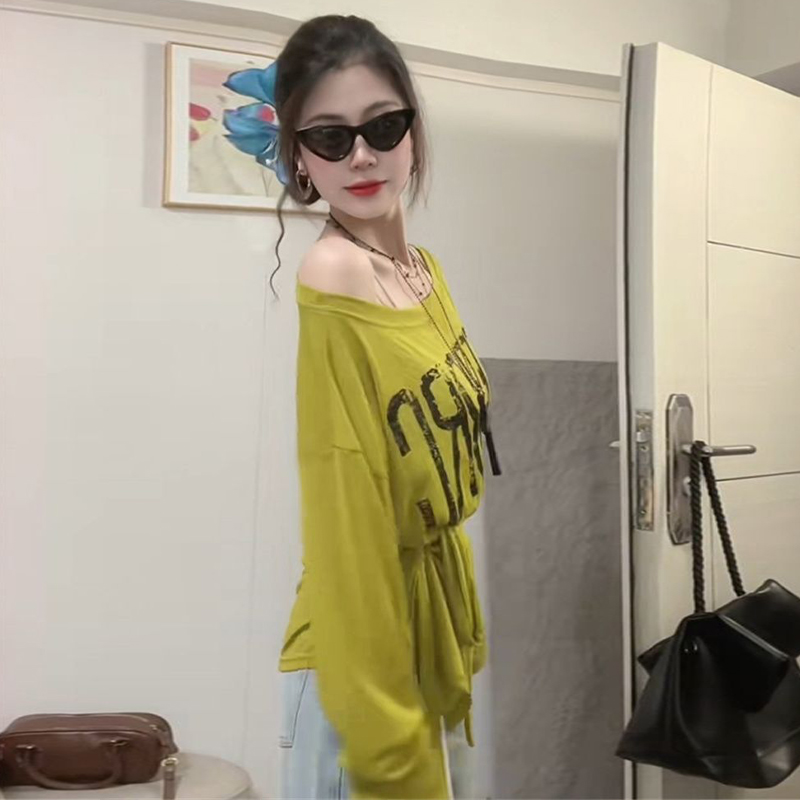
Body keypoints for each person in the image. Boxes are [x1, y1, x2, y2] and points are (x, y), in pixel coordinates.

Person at [267, 14, 502, 800]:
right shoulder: (332, 274)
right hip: (360, 656)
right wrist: (386, 728)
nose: (361, 155)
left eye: (382, 127)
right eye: (330, 138)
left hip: (428, 635)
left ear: (412, 133)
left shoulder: (423, 271)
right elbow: (346, 515)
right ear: (301, 157)